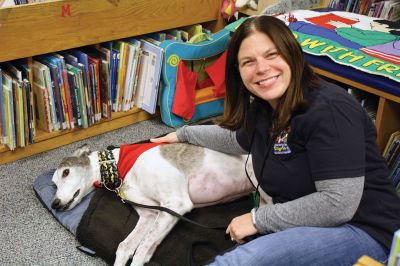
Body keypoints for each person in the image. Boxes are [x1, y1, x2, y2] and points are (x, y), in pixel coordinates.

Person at [151, 15, 400, 265]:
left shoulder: (330, 110)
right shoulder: (266, 106)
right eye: (249, 61)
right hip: (311, 221)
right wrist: (182, 134)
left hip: (365, 230)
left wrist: (259, 219)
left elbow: (338, 204)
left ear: (292, 54)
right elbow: (239, 139)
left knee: (239, 262)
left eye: (272, 55)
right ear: (237, 71)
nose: (261, 68)